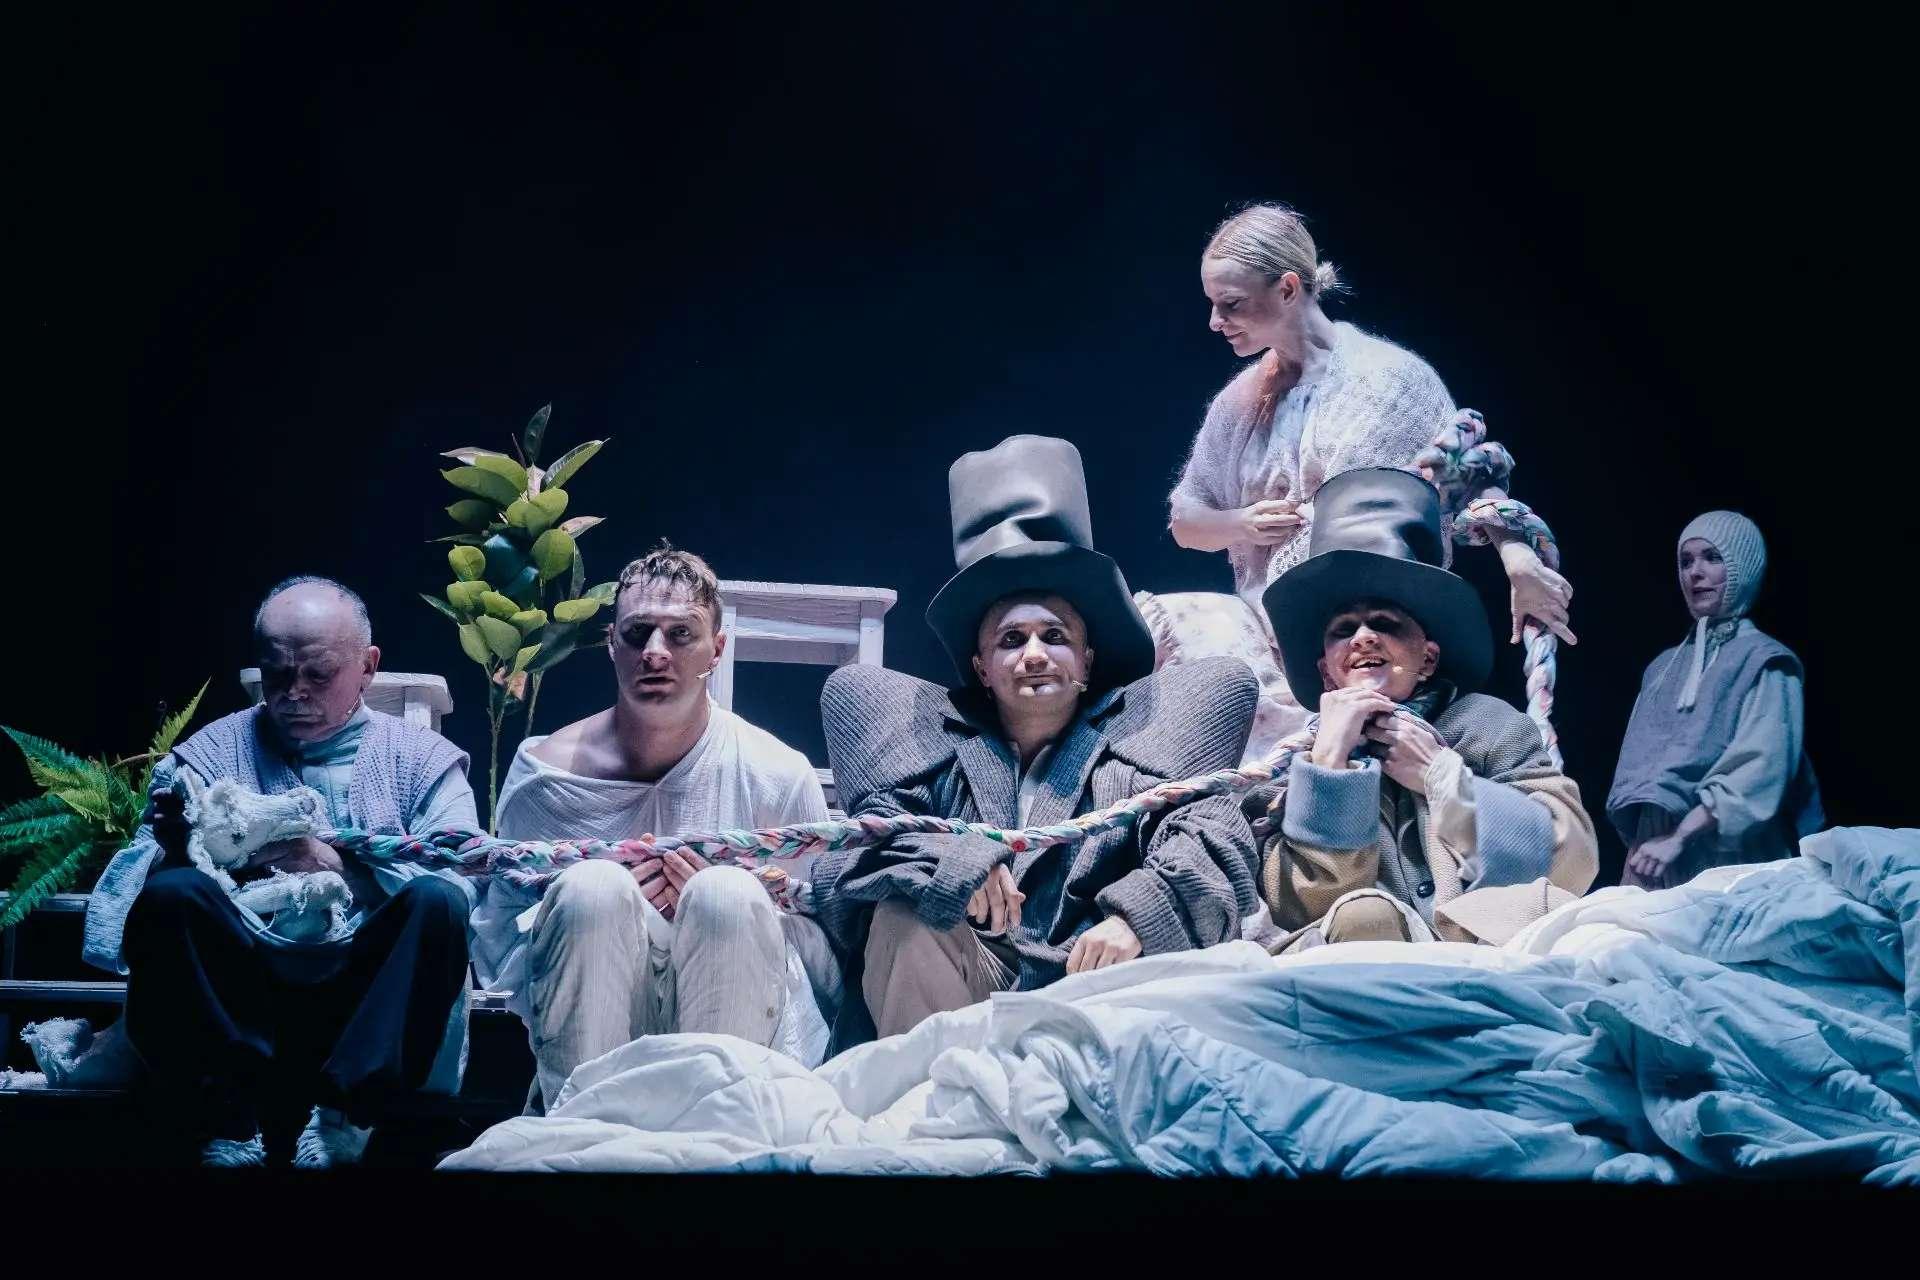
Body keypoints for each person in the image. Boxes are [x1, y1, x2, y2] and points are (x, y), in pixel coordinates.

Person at [809, 435, 1261, 1047]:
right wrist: (956, 861)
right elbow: (854, 859)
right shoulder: (929, 746)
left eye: (1054, 636)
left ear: (1087, 658)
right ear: (981, 667)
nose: (1034, 655)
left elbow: (1211, 837)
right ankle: (931, 1104)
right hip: (955, 997)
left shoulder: (1147, 739)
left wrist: (1138, 916)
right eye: (1010, 640)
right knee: (905, 917)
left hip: (1091, 996)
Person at [83, 576, 478, 1167]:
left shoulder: (422, 760)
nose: (294, 693)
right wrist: (175, 849)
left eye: (318, 674)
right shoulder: (210, 753)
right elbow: (131, 891)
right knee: (171, 893)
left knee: (437, 902)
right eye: (277, 674)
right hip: (242, 989)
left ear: (367, 667)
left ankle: (349, 1111)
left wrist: (340, 866)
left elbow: (461, 878)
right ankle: (225, 1114)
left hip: (368, 996)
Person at [1166, 203, 1574, 738]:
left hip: (1371, 642)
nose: (1216, 321)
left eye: (1232, 304)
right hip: (1269, 639)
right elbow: (1186, 519)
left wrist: (1519, 560)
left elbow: (1466, 478)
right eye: (1213, 304)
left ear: (1287, 288)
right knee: (1173, 626)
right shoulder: (1238, 404)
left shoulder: (1388, 380)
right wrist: (1241, 523)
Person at [470, 543, 836, 1111]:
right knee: (592, 888)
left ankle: (720, 1127)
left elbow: (824, 949)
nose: (656, 653)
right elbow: (498, 942)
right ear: (611, 643)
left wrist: (738, 902)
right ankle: (586, 1128)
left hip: (737, 1013)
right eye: (638, 633)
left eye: (680, 634)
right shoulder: (545, 777)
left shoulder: (775, 774)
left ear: (716, 649)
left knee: (724, 895)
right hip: (595, 1015)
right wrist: (602, 906)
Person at [1247, 468, 1597, 948]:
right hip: (1366, 962)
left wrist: (1439, 775)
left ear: (1428, 658)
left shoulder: (1487, 724)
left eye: (1385, 624)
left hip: (1484, 949)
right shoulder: (1292, 765)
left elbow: (1573, 860)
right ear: (1327, 672)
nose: (1363, 638)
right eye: (1343, 630)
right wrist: (1329, 765)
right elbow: (1303, 905)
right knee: (1365, 916)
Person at [1608, 512, 1823, 889]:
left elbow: (1760, 767)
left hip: (1733, 852)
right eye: (1686, 561)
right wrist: (1643, 847)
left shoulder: (1765, 661)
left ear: (1743, 567)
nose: (1696, 572)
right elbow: (1642, 772)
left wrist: (1680, 837)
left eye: (1712, 557)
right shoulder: (1663, 668)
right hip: (1653, 854)